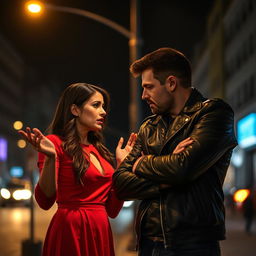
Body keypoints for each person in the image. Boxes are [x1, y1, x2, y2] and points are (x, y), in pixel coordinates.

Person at [113, 47, 238, 256]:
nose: (143, 95)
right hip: (148, 244)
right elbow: (121, 185)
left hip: (192, 246)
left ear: (171, 83)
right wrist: (168, 167)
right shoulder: (149, 127)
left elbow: (182, 168)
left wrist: (139, 164)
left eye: (149, 87)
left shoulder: (213, 113)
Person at [19, 83, 136, 256]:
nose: (103, 111)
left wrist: (121, 166)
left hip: (101, 230)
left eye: (103, 106)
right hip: (72, 230)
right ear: (75, 109)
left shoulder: (100, 151)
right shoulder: (55, 143)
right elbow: (44, 201)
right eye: (96, 105)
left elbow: (112, 209)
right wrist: (51, 158)